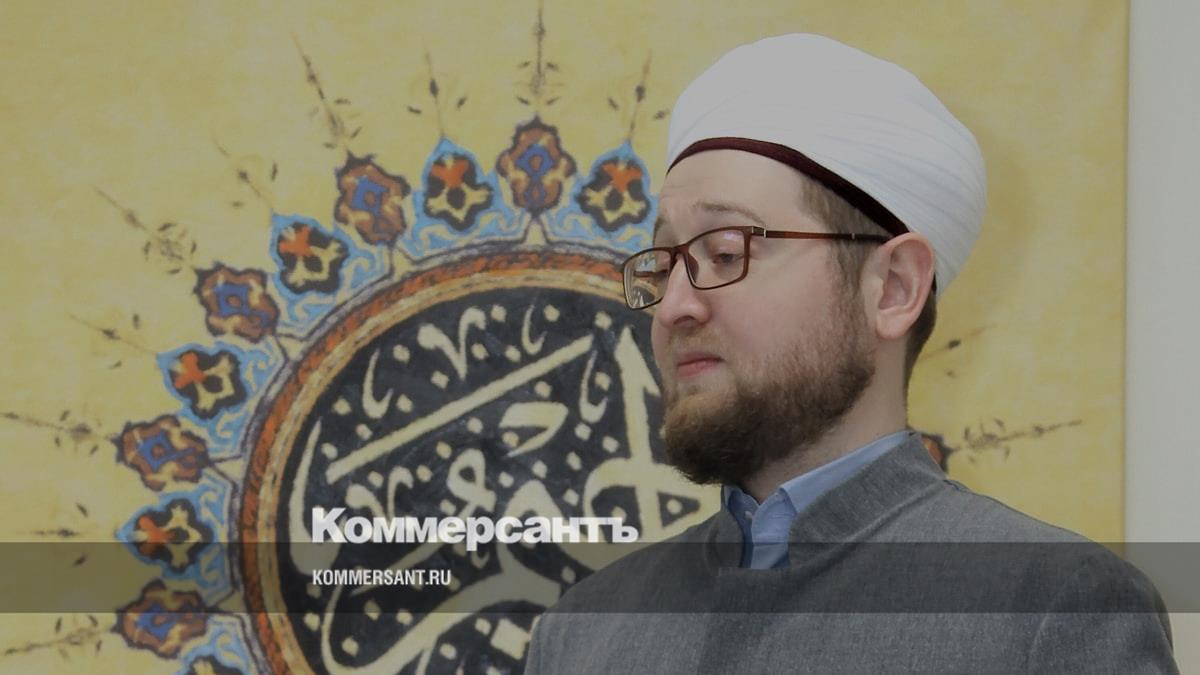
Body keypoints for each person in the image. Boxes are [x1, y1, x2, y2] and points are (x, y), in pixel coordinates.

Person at [523, 34, 1178, 673]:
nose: (673, 307)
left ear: (893, 288)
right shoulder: (583, 635)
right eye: (665, 264)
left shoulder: (1047, 610)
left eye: (724, 253)